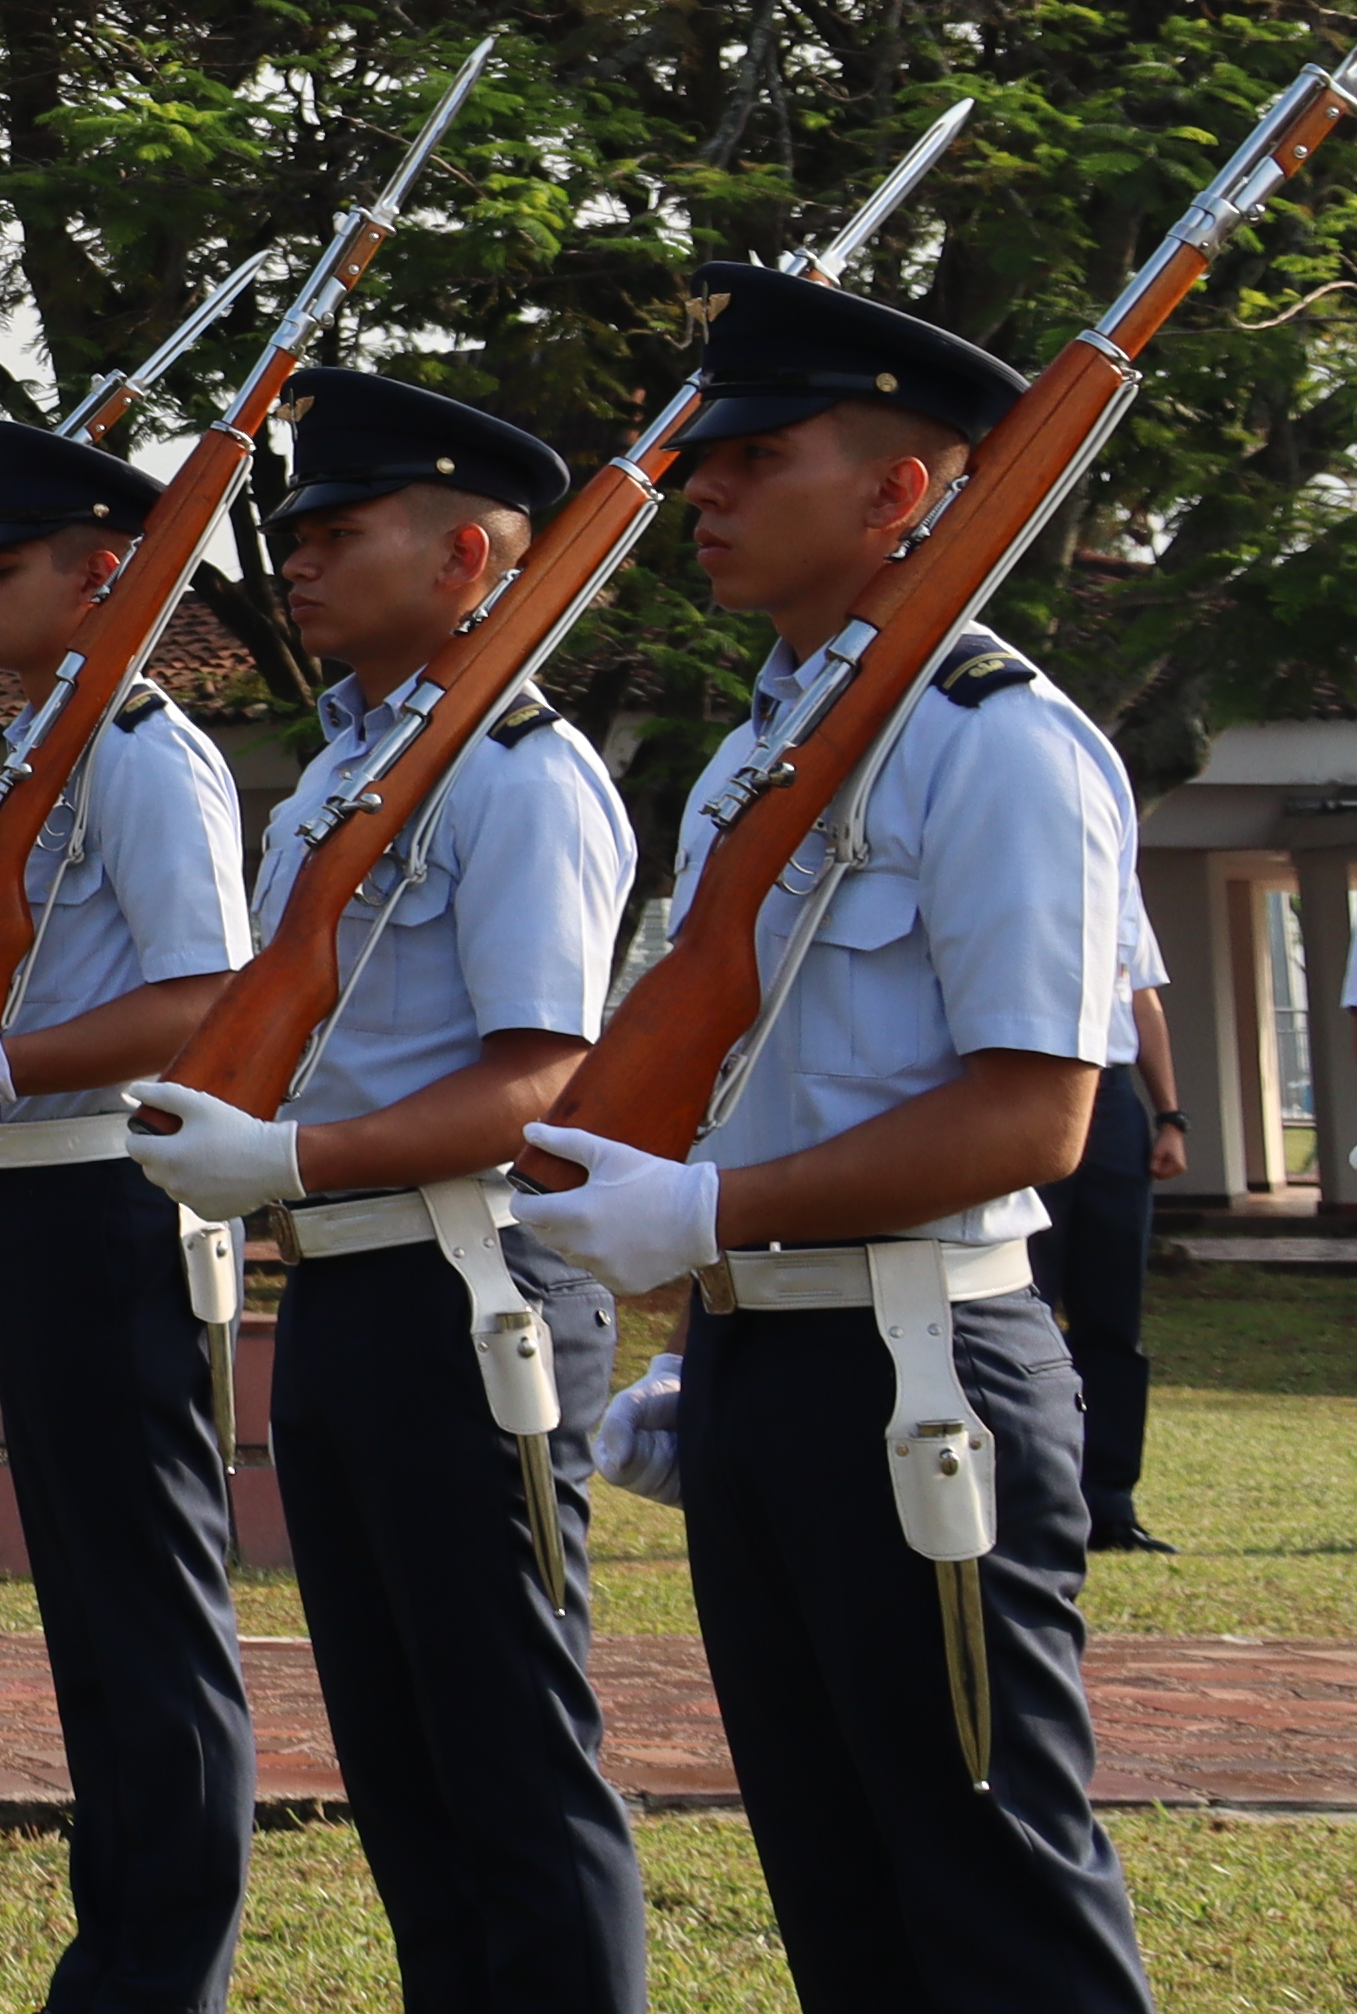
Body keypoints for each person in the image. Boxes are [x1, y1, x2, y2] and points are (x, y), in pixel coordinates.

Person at [514, 266, 1154, 2011]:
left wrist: (715, 1213)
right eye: (708, 456)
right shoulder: (761, 748)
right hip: (766, 1366)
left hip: (922, 1367)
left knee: (992, 1892)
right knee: (838, 1892)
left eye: (757, 456)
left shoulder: (998, 746)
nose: (701, 490)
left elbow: (1037, 1113)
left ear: (899, 493)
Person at [128, 372, 647, 2014]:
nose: (296, 560)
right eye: (292, 533)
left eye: (340, 531)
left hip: (470, 1284)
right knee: (399, 1757)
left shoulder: (518, 778)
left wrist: (286, 1161)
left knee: (507, 1744)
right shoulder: (350, 772)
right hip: (349, 1287)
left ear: (470, 561)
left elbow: (540, 1080)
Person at [0, 419, 258, 2014]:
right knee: (89, 1599)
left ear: (106, 575)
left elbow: (197, 999)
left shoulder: (150, 752)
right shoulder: (56, 750)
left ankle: (171, 1967)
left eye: (2, 569)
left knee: (149, 1600)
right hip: (33, 1190)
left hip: (112, 1189)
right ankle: (120, 1949)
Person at [1033, 885, 1185, 1555]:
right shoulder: (1015, 884)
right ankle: (1029, 1497)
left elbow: (1143, 999)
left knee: (1113, 1316)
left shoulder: (1118, 888)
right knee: (1024, 1308)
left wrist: (1171, 1116)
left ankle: (1109, 1505)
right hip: (1031, 1088)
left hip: (1113, 1101)